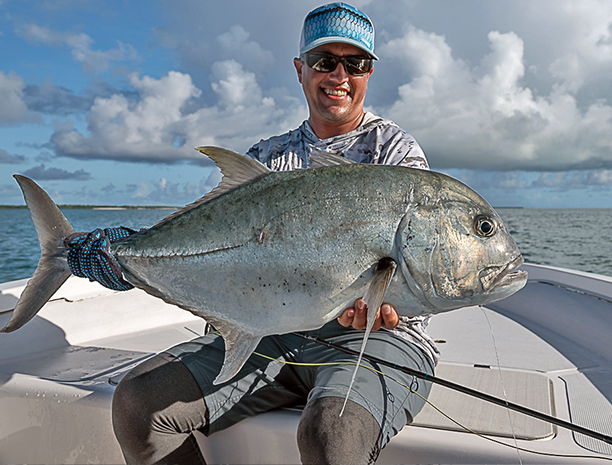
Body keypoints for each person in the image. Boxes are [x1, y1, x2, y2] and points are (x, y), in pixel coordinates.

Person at [111, 3, 439, 464]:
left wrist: (386, 307)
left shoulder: (396, 155)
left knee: (332, 434)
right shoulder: (266, 158)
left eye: (356, 63)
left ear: (369, 72)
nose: (339, 75)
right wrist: (127, 259)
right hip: (271, 334)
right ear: (300, 69)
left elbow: (412, 270)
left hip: (375, 340)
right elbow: (213, 252)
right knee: (137, 402)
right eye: (325, 61)